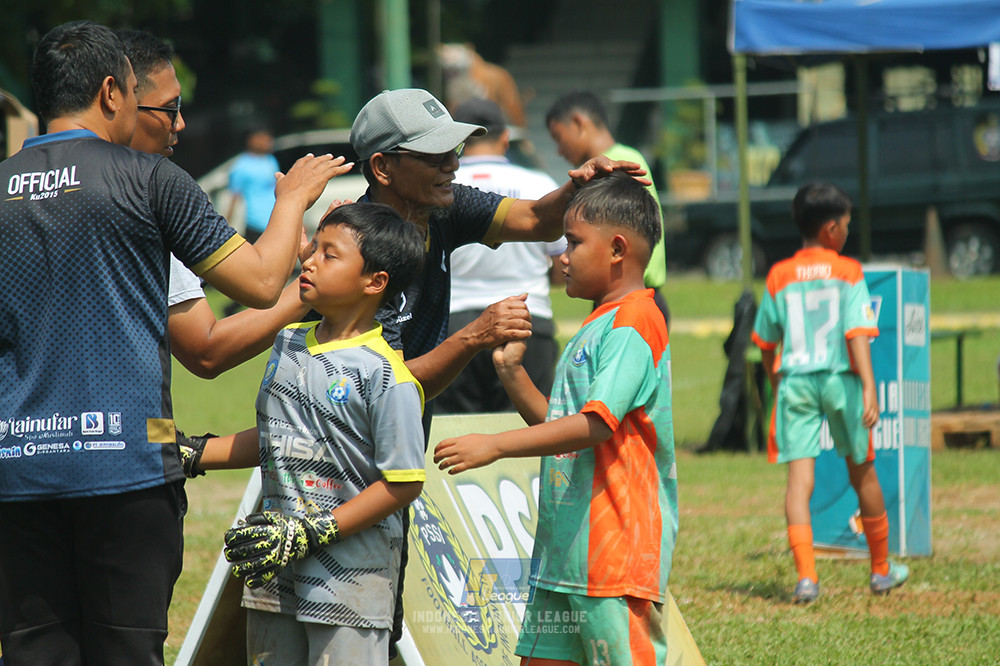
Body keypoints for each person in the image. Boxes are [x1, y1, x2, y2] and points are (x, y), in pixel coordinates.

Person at [0, 21, 347, 666]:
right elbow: (262, 280)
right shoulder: (149, 180)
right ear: (111, 92)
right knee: (128, 652)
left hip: (18, 470)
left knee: (33, 656)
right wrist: (294, 199)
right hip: (127, 463)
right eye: (140, 95)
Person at [350, 86, 650, 655]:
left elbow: (539, 219)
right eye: (435, 155)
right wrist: (474, 336)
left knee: (378, 604)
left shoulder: (444, 207)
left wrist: (578, 185)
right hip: (347, 448)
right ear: (383, 167)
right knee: (353, 606)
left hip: (397, 445)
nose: (453, 165)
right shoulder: (354, 248)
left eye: (454, 150)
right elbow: (383, 389)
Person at [433, 173, 676, 665]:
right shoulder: (598, 322)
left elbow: (597, 426)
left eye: (573, 242)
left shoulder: (635, 322)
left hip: (613, 555)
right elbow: (563, 426)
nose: (560, 256)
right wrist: (512, 371)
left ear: (617, 249)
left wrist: (496, 445)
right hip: (565, 555)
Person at [183, 203, 427, 665]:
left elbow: (404, 483)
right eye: (312, 248)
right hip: (274, 568)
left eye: (329, 255)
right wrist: (195, 453)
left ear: (375, 282)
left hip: (351, 579)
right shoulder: (288, 342)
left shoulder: (384, 375)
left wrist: (314, 532)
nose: (309, 260)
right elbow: (276, 438)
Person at [750, 182, 909, 603]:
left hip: (797, 382)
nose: (848, 232)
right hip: (841, 380)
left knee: (799, 482)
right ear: (831, 230)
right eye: (847, 225)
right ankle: (880, 571)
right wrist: (870, 387)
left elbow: (766, 341)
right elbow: (857, 332)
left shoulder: (778, 275)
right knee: (863, 471)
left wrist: (776, 379)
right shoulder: (848, 270)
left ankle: (806, 578)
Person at [120, 29, 310, 379]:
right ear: (115, 99)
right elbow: (212, 342)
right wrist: (295, 201)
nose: (180, 122)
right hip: (124, 428)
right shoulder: (148, 191)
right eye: (169, 108)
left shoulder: (18, 180)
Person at [436, 97, 564, 413]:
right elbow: (562, 267)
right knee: (531, 431)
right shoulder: (540, 184)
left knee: (455, 437)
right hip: (527, 318)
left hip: (454, 322)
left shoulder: (439, 187)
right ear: (506, 137)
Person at [546, 90, 670, 328]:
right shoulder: (626, 157)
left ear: (578, 123)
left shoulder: (615, 165)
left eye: (558, 137)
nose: (559, 151)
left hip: (629, 299)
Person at [228, 127, 280, 244]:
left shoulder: (271, 160)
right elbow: (234, 197)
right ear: (252, 140)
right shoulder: (241, 166)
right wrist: (227, 225)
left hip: (274, 220)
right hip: (255, 223)